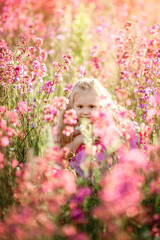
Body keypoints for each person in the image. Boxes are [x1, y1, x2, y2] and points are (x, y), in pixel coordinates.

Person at [56, 78, 136, 176]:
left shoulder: (105, 122)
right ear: (72, 106)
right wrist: (79, 140)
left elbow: (120, 143)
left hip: (107, 171)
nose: (85, 112)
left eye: (91, 106)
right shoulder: (70, 124)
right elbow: (61, 155)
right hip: (80, 174)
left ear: (101, 105)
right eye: (80, 106)